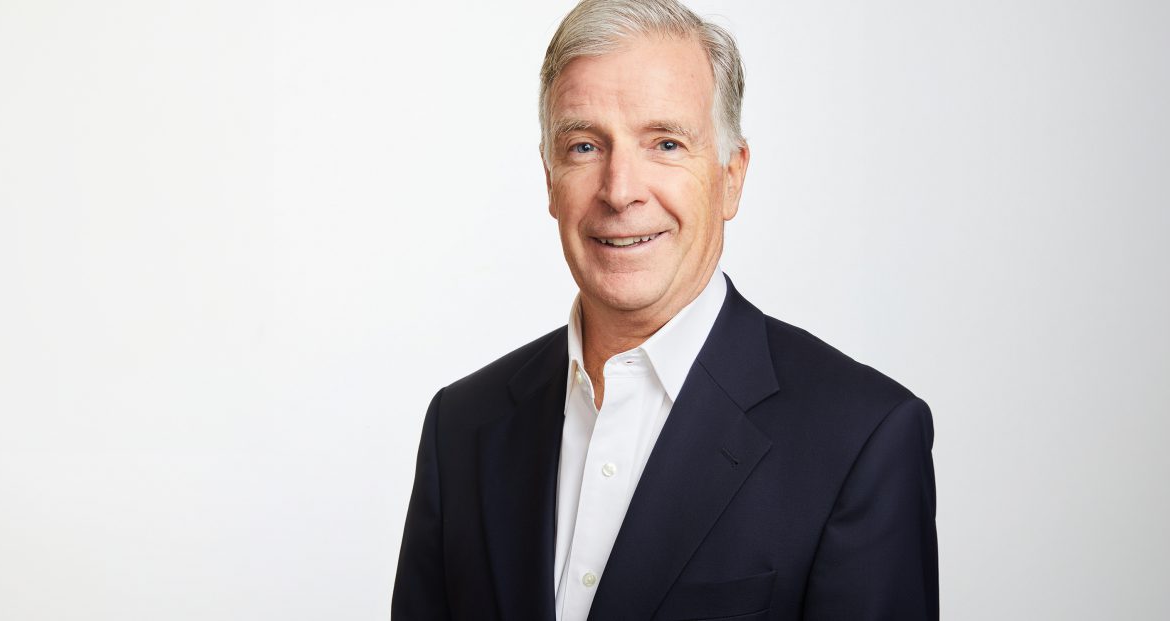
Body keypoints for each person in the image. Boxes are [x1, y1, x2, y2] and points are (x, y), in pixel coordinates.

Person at [392, 0, 938, 619]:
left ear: (731, 177)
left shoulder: (862, 438)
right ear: (549, 179)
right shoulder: (461, 427)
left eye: (666, 143)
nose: (620, 190)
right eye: (584, 146)